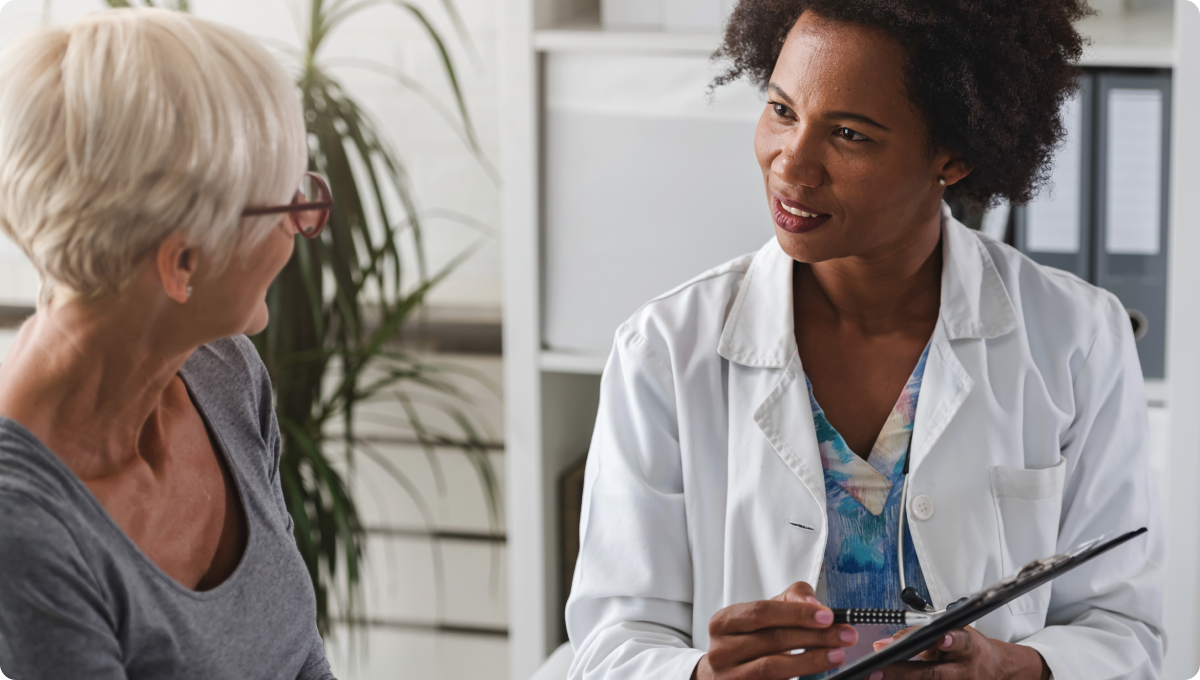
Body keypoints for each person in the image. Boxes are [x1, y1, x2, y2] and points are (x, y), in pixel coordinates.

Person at [565, 1, 1165, 679]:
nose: (792, 166)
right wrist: (705, 676)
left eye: (849, 134)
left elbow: (1125, 630)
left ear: (956, 155)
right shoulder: (663, 350)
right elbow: (611, 643)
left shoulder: (1078, 339)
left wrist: (1010, 667)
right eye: (782, 111)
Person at [0, 9, 337, 679]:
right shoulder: (23, 531)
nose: (303, 226)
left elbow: (301, 659)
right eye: (286, 204)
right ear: (182, 263)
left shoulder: (224, 374)